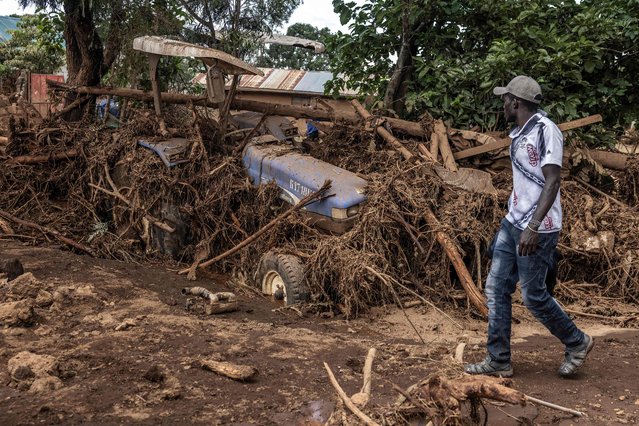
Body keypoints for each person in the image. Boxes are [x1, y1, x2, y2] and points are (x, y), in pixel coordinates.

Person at [465, 76, 593, 378]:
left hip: (539, 226)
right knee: (496, 288)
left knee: (534, 297)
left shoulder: (546, 131)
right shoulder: (521, 131)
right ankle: (498, 359)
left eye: (505, 99)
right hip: (514, 221)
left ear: (516, 102)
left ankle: (577, 342)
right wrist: (514, 221)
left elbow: (553, 181)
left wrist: (534, 226)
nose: (502, 104)